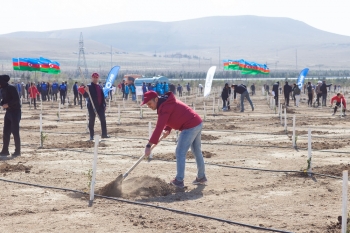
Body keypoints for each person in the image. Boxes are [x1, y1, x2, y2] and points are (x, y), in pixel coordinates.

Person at [141, 91, 207, 188]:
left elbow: (159, 127)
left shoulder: (165, 106)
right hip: (197, 122)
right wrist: (167, 128)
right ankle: (201, 177)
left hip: (190, 126)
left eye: (149, 104)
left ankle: (179, 180)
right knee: (196, 150)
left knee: (180, 152)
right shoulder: (166, 103)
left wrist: (148, 145)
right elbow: (173, 115)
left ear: (156, 99)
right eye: (147, 105)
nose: (149, 106)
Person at [79, 73, 109, 140]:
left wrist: (104, 105)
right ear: (92, 78)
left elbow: (102, 96)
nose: (95, 79)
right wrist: (85, 91)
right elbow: (86, 96)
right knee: (92, 121)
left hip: (100, 106)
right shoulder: (88, 86)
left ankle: (104, 134)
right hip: (92, 106)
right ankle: (91, 136)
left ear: (98, 78)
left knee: (103, 120)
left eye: (96, 77)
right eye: (94, 77)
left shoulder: (100, 86)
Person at [0, 75, 21, 156]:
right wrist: (2, 103)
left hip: (15, 112)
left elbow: (16, 99)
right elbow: (3, 100)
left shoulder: (11, 88)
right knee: (6, 131)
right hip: (8, 112)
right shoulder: (2, 90)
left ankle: (17, 151)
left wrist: (8, 104)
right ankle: (5, 150)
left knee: (15, 132)